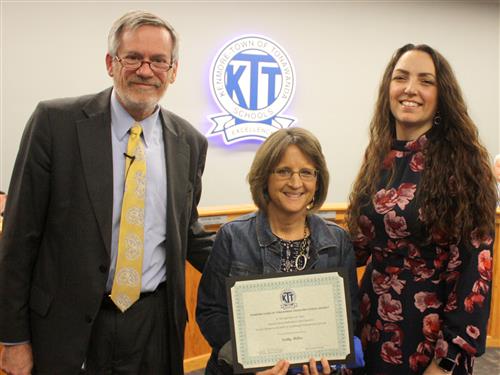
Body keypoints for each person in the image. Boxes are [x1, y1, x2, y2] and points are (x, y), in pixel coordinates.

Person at [0, 10, 212, 375]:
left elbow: (187, 231)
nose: (146, 70)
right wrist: (12, 339)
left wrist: (260, 262)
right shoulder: (55, 123)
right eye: (133, 57)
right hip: (68, 327)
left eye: (159, 61)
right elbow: (20, 237)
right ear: (111, 62)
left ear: (173, 71)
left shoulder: (189, 142)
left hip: (154, 325)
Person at [347, 44, 496, 375]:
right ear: (389, 87)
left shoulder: (465, 165)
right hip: (370, 325)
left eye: (425, 81)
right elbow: (357, 246)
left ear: (441, 96)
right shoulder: (378, 156)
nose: (410, 89)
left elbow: (474, 274)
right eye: (401, 77)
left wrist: (445, 363)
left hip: (428, 339)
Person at [196, 127, 360, 375]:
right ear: (265, 177)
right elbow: (211, 313)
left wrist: (329, 362)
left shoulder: (337, 240)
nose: (295, 183)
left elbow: (350, 315)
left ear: (317, 181)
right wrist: (250, 365)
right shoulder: (232, 236)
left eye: (306, 172)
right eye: (284, 171)